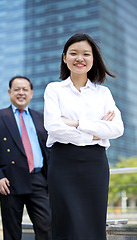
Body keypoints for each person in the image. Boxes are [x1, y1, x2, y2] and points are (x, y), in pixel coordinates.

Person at [44, 33, 124, 240]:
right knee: (65, 221)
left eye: (86, 54)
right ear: (64, 58)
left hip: (95, 164)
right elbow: (53, 127)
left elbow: (117, 129)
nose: (80, 58)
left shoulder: (103, 93)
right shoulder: (54, 90)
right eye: (74, 53)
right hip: (63, 163)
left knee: (93, 221)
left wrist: (78, 124)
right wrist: (96, 131)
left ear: (93, 59)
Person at [0, 76, 51, 240]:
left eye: (25, 89)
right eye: (17, 89)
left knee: (47, 227)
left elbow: (49, 149)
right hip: (9, 182)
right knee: (12, 232)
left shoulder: (41, 117)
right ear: (9, 92)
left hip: (39, 180)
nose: (21, 93)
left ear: (31, 93)